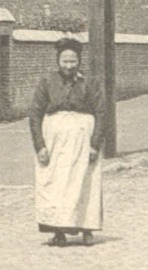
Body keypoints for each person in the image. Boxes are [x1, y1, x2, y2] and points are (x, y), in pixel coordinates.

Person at [29, 37, 105, 247]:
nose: (69, 66)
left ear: (79, 61)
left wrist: (94, 144)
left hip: (82, 139)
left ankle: (87, 229)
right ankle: (58, 232)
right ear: (58, 61)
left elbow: (100, 113)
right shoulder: (47, 82)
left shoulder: (89, 83)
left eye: (73, 61)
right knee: (55, 184)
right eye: (65, 61)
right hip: (54, 142)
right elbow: (35, 114)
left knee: (84, 182)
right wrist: (40, 146)